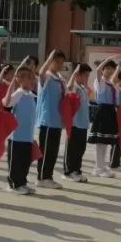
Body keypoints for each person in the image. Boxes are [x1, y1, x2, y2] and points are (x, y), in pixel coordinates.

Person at [3, 63, 38, 196]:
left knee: (25, 161)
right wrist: (13, 84)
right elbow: (6, 103)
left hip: (27, 136)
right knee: (16, 161)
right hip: (17, 136)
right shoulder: (18, 94)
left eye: (33, 78)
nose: (32, 81)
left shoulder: (31, 96)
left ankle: (22, 182)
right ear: (20, 80)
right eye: (29, 78)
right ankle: (14, 184)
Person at [35, 49, 66, 189]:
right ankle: (42, 177)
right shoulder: (46, 76)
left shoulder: (60, 79)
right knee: (46, 150)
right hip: (47, 119)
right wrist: (49, 58)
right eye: (57, 61)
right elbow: (41, 73)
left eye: (61, 62)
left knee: (53, 151)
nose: (59, 64)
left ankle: (48, 176)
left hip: (57, 120)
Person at [87, 59, 119, 178]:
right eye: (108, 68)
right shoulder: (99, 81)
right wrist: (106, 60)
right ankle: (98, 167)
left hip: (110, 111)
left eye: (112, 68)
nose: (110, 71)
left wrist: (118, 68)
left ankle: (102, 165)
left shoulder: (110, 83)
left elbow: (115, 77)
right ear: (104, 69)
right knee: (100, 142)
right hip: (103, 111)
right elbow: (97, 70)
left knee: (105, 142)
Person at [62, 64, 92, 182]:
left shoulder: (83, 88)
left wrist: (85, 84)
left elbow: (90, 91)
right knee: (72, 149)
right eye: (85, 75)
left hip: (83, 124)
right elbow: (69, 87)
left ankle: (76, 170)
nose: (87, 78)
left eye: (88, 76)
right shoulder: (74, 87)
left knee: (80, 149)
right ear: (78, 75)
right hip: (74, 124)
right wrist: (74, 74)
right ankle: (68, 172)